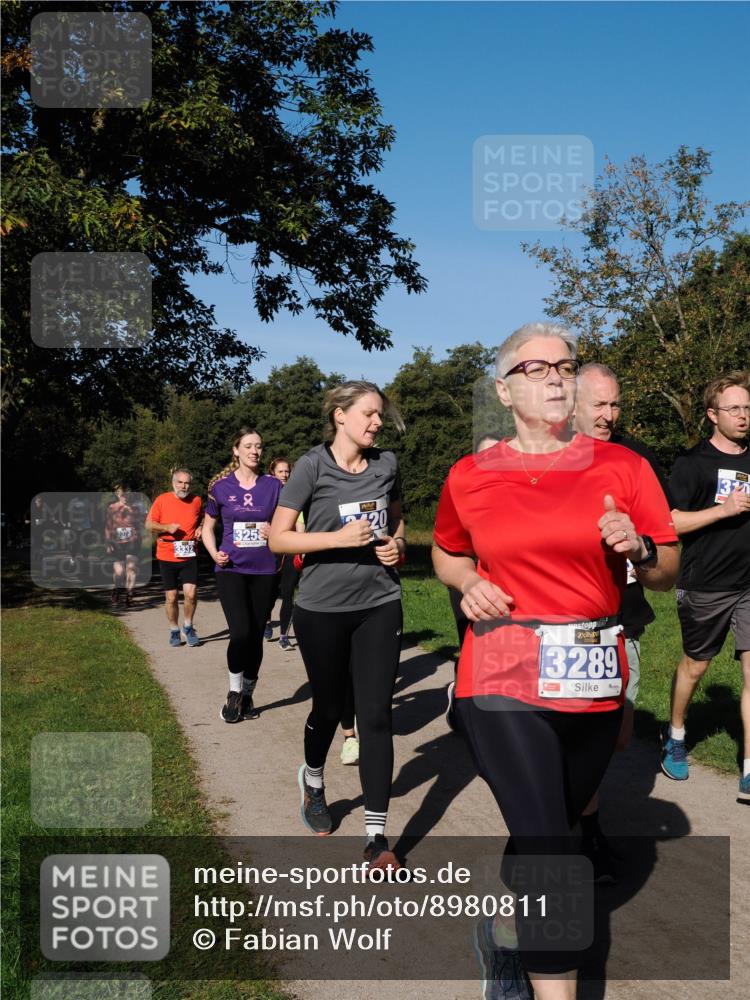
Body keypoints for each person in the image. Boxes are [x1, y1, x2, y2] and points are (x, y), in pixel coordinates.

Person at [432, 322, 678, 1000]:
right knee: (553, 854)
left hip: (592, 676)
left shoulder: (623, 468)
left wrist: (641, 549)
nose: (556, 378)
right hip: (501, 668)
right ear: (503, 389)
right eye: (537, 368)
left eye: (565, 366)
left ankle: (505, 937)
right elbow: (447, 550)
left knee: (553, 827)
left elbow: (666, 570)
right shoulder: (470, 474)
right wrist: (465, 582)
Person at [269, 381, 406, 871]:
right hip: (322, 608)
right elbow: (279, 540)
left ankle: (376, 836)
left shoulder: (387, 464)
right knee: (328, 709)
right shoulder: (311, 466)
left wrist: (398, 545)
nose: (377, 423)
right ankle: (312, 779)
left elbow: (396, 520)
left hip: (379, 602)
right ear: (340, 416)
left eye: (380, 416)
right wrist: (336, 539)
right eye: (369, 414)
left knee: (375, 716)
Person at [573, 362, 674, 877]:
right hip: (557, 622)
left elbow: (665, 543)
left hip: (620, 616)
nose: (609, 415)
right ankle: (579, 834)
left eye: (615, 405)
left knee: (613, 733)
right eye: (599, 404)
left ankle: (575, 818)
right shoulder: (541, 460)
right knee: (567, 735)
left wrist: (641, 544)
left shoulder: (638, 459)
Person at [661, 371, 750, 804]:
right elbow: (670, 521)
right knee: (696, 667)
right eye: (734, 408)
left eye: (747, 407)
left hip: (749, 585)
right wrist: (722, 509)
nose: (743, 416)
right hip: (705, 585)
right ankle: (675, 734)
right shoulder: (693, 464)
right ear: (713, 414)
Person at [203, 429, 281, 723]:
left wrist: (274, 530)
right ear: (236, 450)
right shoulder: (221, 487)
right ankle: (234, 693)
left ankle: (248, 693)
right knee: (240, 633)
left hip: (264, 569)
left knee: (256, 636)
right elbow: (207, 528)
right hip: (231, 568)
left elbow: (288, 525)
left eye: (259, 446)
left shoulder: (273, 486)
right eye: (248, 446)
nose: (254, 451)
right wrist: (213, 553)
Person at [445, 432, 502, 732]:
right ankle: (462, 697)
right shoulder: (462, 495)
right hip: (466, 583)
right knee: (471, 647)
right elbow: (446, 547)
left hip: (502, 585)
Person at [145, 469, 203, 647]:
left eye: (187, 483)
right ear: (173, 483)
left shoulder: (196, 500)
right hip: (166, 554)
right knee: (171, 597)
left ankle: (188, 626)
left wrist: (201, 527)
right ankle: (174, 630)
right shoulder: (162, 500)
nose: (184, 486)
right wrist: (165, 527)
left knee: (191, 594)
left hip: (188, 553)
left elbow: (203, 518)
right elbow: (148, 524)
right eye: (180, 482)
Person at [264, 456, 292, 642]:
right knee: (270, 590)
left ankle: (284, 634)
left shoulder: (294, 490)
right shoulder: (266, 491)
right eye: (280, 471)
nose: (284, 474)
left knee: (288, 591)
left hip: (290, 546)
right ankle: (266, 620)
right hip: (269, 547)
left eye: (287, 471)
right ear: (272, 472)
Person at [105, 485, 141, 606]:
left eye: (127, 494)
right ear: (117, 494)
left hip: (133, 542)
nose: (125, 497)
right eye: (122, 494)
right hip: (117, 543)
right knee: (119, 572)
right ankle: (116, 589)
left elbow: (139, 526)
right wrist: (108, 543)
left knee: (132, 570)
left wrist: (140, 538)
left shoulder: (135, 508)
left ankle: (129, 596)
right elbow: (108, 526)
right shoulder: (112, 508)